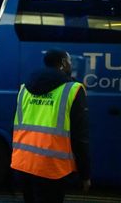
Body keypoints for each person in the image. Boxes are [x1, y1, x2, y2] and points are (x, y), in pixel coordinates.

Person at [11, 49, 91, 203]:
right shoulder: (72, 90)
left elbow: (15, 125)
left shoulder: (24, 89)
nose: (70, 65)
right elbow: (80, 137)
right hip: (52, 168)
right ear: (62, 63)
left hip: (24, 164)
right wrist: (85, 174)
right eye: (69, 61)